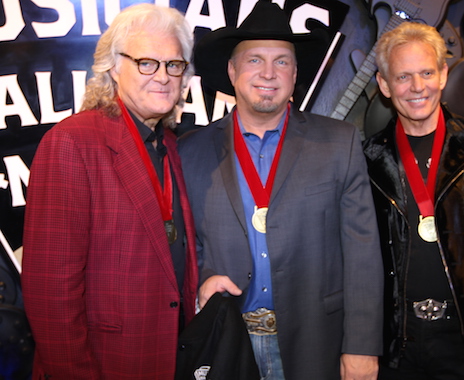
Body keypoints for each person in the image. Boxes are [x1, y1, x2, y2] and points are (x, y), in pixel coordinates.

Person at [178, 1, 384, 379]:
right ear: (232, 70)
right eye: (255, 60)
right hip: (226, 344)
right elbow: (184, 247)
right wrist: (199, 284)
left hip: (316, 343)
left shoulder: (340, 143)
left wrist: (362, 347)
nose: (269, 73)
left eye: (282, 61)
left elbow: (362, 253)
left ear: (295, 73)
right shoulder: (189, 152)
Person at [21, 4, 198, 379]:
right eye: (147, 63)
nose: (164, 76)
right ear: (114, 68)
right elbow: (50, 297)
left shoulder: (169, 146)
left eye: (174, 64)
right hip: (103, 364)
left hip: (167, 359)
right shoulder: (72, 142)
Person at [363, 22, 464, 380]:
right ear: (384, 85)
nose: (417, 87)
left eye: (426, 72)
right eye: (403, 76)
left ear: (443, 75)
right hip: (394, 347)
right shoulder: (366, 159)